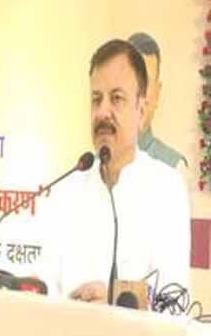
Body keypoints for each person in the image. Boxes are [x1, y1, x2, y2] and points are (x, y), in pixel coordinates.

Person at [42, 38, 191, 301]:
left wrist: (113, 299)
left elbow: (174, 297)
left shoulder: (166, 187)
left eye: (116, 98)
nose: (103, 112)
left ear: (141, 111)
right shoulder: (65, 191)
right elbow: (46, 289)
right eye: (96, 99)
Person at [127, 32, 186, 170]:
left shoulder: (174, 167)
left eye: (145, 81)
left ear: (157, 93)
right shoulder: (93, 166)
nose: (138, 92)